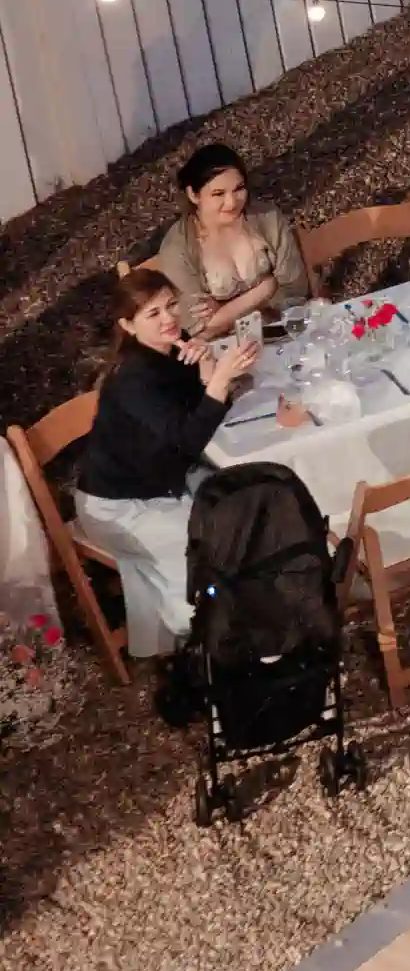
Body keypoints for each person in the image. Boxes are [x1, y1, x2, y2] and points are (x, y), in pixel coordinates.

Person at [73, 268, 259, 686]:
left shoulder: (174, 350)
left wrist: (206, 371)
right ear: (127, 325)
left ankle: (242, 624)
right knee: (203, 551)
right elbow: (187, 439)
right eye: (153, 313)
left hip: (163, 483)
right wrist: (219, 381)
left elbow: (196, 415)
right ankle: (205, 651)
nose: (169, 319)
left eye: (172, 305)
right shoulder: (132, 378)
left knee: (242, 505)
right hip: (117, 505)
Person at [152, 142, 310, 340]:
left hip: (281, 330)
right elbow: (197, 329)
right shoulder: (177, 248)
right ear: (193, 194)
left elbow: (295, 289)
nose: (232, 202)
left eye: (239, 189)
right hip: (223, 347)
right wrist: (266, 287)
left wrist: (223, 311)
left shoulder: (267, 218)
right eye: (218, 194)